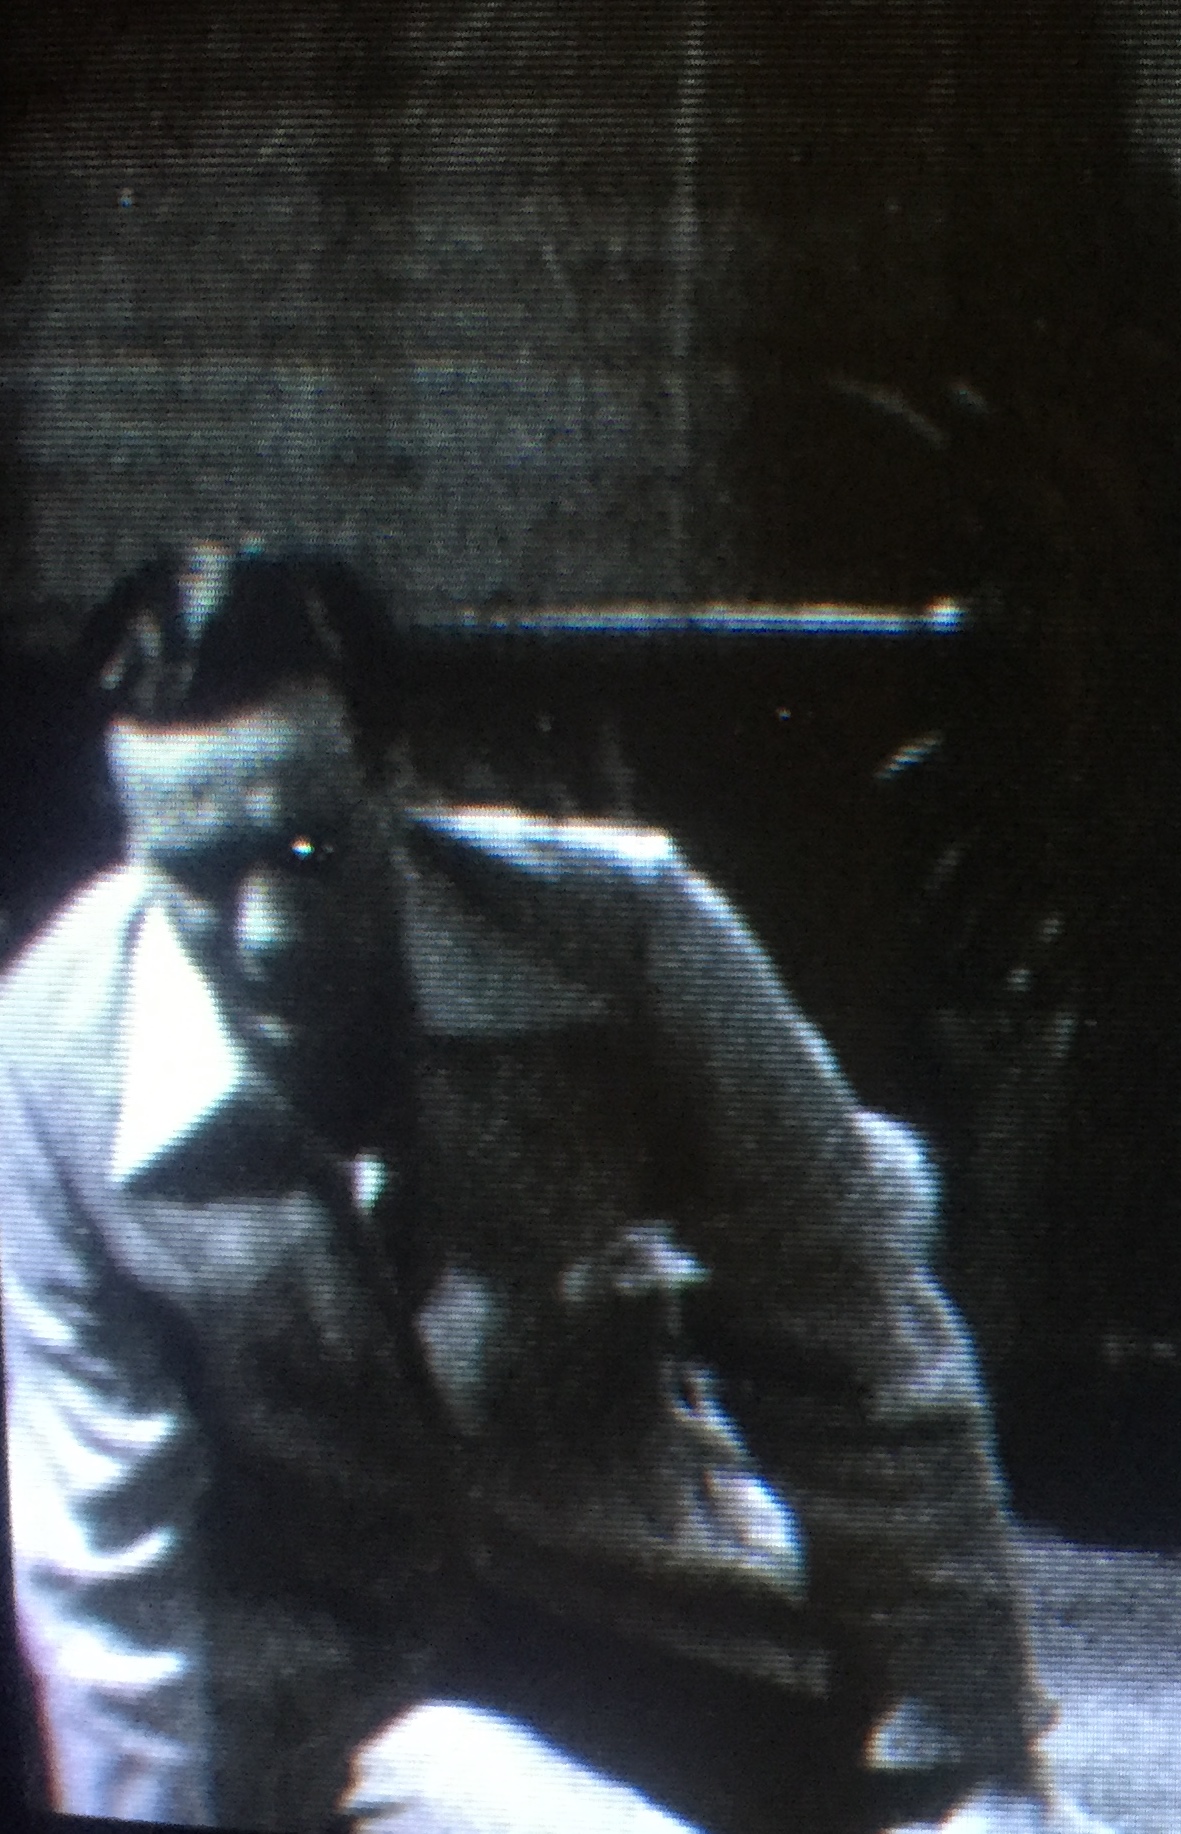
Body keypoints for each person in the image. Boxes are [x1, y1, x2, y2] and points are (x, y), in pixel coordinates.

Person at [0, 544, 1094, 1834]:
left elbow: (856, 1355)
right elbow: (103, 1560)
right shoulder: (43, 1068)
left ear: (398, 777)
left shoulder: (627, 929)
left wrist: (980, 1765)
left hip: (659, 1642)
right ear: (129, 843)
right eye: (197, 874)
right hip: (317, 1722)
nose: (270, 935)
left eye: (310, 850)